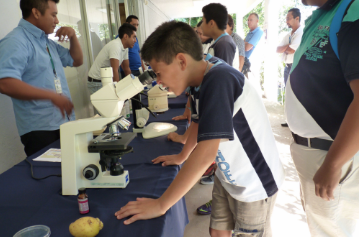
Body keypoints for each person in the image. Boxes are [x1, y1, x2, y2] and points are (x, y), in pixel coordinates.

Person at [114, 21, 284, 237]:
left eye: (159, 73)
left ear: (181, 61)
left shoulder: (219, 80)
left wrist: (161, 205)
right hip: (229, 178)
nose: (158, 82)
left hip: (254, 184)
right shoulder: (199, 79)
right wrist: (182, 155)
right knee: (217, 230)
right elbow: (198, 121)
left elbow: (205, 155)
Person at [286, 0, 359, 236]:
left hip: (330, 154)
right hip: (314, 153)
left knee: (333, 229)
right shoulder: (325, 14)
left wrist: (333, 163)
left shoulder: (352, 12)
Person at [0, 0, 83, 157]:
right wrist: (51, 96)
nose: (57, 21)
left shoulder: (47, 42)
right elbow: (4, 83)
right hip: (40, 130)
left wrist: (72, 36)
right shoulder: (16, 41)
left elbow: (76, 60)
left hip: (63, 122)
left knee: (69, 174)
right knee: (49, 177)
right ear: (36, 13)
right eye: (53, 15)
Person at [87, 23, 136, 95]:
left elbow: (126, 69)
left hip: (105, 80)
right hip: (96, 82)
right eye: (134, 37)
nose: (135, 40)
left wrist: (134, 84)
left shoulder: (125, 48)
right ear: (126, 36)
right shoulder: (115, 46)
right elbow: (114, 70)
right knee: (111, 104)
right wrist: (118, 92)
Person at [277, 8, 303, 127]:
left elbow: (292, 50)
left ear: (296, 18)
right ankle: (289, 120)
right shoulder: (289, 34)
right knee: (288, 94)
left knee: (296, 94)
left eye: (288, 18)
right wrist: (287, 47)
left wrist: (286, 47)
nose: (286, 21)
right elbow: (278, 49)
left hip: (296, 67)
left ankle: (296, 122)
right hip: (287, 67)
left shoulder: (301, 33)